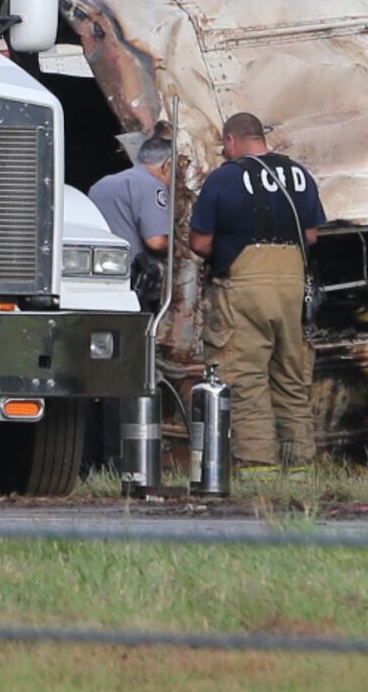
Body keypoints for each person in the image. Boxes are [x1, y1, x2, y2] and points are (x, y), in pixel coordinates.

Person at [185, 112, 325, 469]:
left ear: (231, 141)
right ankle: (299, 470)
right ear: (261, 137)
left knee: (247, 383)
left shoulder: (224, 178)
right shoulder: (299, 175)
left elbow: (200, 243)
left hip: (244, 289)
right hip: (293, 287)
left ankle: (258, 471)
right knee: (292, 382)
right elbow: (311, 236)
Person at [88, 129, 175, 312]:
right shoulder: (151, 185)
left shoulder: (101, 184)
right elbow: (156, 242)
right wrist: (179, 248)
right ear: (166, 166)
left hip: (97, 277)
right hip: (135, 281)